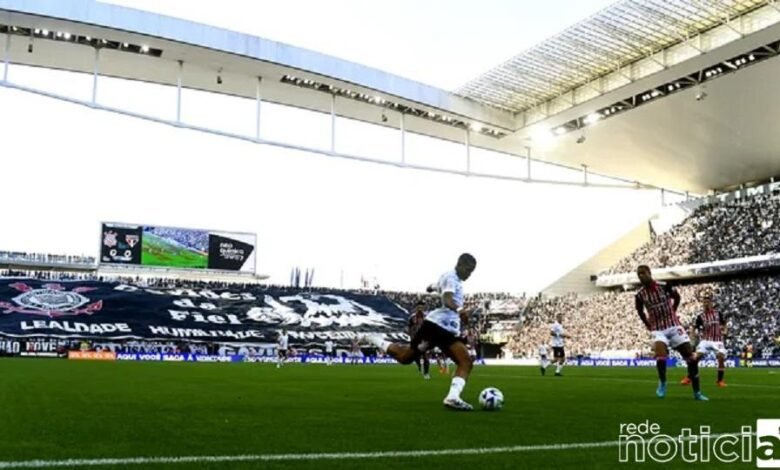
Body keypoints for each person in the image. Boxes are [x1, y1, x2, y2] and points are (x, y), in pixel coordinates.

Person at [364, 253, 478, 410]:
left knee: (464, 361)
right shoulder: (451, 278)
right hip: (436, 327)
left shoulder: (450, 279)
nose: (469, 274)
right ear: (460, 264)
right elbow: (447, 298)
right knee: (405, 358)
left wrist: (432, 287)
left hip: (445, 330)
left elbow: (436, 287)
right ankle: (377, 339)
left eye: (472, 271)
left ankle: (452, 397)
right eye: (468, 270)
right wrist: (459, 309)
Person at [635, 265, 708, 401]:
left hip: (674, 326)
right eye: (639, 274)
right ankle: (663, 382)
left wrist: (673, 311)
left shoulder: (664, 286)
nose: (641, 276)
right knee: (661, 356)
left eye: (643, 273)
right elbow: (640, 311)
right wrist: (647, 324)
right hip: (658, 329)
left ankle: (697, 393)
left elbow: (677, 297)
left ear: (649, 273)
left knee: (691, 358)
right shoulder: (640, 295)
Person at [682, 291, 728, 387]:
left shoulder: (718, 313)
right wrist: (692, 335)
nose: (706, 303)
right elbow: (694, 327)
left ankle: (720, 381)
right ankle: (689, 377)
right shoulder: (700, 316)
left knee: (721, 357)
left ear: (711, 303)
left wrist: (725, 330)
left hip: (717, 340)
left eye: (708, 302)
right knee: (695, 358)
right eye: (704, 302)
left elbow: (724, 324)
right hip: (706, 340)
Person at [408, 301, 431, 379]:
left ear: (423, 308)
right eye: (419, 307)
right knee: (416, 356)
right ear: (416, 308)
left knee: (425, 357)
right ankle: (419, 366)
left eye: (421, 307)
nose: (420, 308)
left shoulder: (427, 317)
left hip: (424, 340)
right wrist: (412, 338)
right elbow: (410, 329)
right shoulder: (412, 317)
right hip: (415, 339)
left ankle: (426, 373)